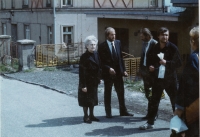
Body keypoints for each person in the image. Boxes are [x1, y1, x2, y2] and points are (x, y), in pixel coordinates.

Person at [139, 27, 182, 130]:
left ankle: (178, 124)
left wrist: (166, 62)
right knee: (154, 101)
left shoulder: (173, 48)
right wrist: (151, 67)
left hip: (170, 79)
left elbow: (179, 63)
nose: (165, 37)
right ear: (158, 36)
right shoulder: (155, 47)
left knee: (174, 102)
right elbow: (150, 61)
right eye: (163, 35)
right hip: (158, 79)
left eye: (166, 35)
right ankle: (150, 123)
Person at [98, 27, 133, 118]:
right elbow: (101, 62)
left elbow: (121, 58)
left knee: (121, 92)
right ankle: (108, 112)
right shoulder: (102, 46)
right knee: (108, 93)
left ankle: (123, 111)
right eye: (111, 34)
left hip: (118, 73)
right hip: (108, 74)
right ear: (107, 35)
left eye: (114, 34)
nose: (114, 36)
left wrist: (124, 70)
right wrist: (108, 68)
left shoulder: (118, 43)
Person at [173, 26, 199, 137]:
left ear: (193, 42)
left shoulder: (194, 58)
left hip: (194, 107)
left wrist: (179, 107)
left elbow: (186, 85)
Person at [78, 35, 101, 124]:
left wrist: (99, 78)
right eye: (91, 44)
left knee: (92, 99)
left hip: (94, 82)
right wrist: (83, 85)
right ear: (87, 46)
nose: (93, 46)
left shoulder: (97, 54)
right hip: (86, 82)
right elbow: (81, 72)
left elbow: (99, 67)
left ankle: (92, 115)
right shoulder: (84, 57)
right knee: (85, 100)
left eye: (94, 44)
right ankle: (86, 116)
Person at [139, 28, 158, 120]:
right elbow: (142, 57)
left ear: (147, 36)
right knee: (147, 94)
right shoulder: (144, 43)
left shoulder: (155, 44)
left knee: (153, 95)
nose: (141, 38)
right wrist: (141, 70)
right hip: (145, 72)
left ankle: (153, 114)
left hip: (152, 73)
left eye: (142, 36)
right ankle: (150, 113)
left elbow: (158, 59)